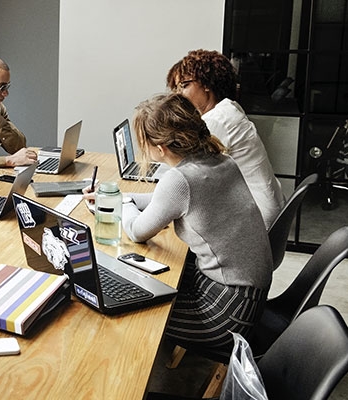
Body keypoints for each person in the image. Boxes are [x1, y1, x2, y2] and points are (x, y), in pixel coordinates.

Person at [121, 93, 272, 358]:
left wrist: (119, 203)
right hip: (249, 297)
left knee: (130, 306)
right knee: (148, 278)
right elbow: (167, 201)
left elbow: (136, 231)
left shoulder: (179, 180)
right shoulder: (222, 161)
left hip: (228, 314)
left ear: (160, 148)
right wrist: (126, 198)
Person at [166, 49, 283, 229]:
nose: (179, 94)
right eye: (177, 88)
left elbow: (186, 175)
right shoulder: (228, 108)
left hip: (257, 220)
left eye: (184, 85)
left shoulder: (217, 120)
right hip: (262, 209)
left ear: (206, 84)